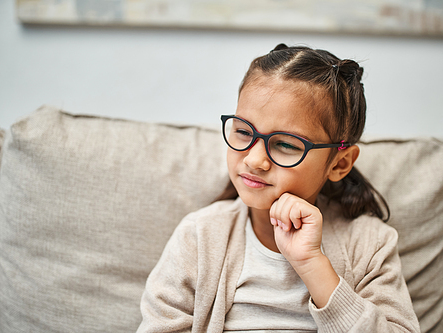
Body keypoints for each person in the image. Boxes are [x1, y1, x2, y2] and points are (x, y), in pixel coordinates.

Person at [137, 44, 421, 332]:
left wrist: (313, 264)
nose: (254, 159)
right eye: (244, 132)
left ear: (339, 163)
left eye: (285, 144)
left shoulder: (369, 245)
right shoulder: (199, 236)